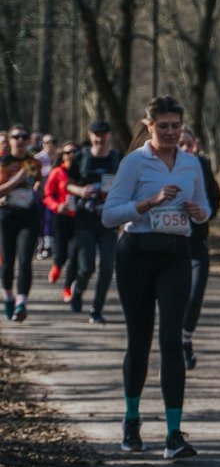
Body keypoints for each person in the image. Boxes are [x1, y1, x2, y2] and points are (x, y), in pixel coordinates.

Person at [102, 95, 210, 458]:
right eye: (162, 126)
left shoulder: (191, 163)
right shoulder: (135, 162)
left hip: (176, 254)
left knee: (172, 342)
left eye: (175, 126)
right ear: (149, 126)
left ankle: (174, 433)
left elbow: (205, 208)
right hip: (136, 254)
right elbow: (110, 215)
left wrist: (198, 212)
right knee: (140, 340)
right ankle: (131, 420)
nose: (169, 132)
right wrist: (149, 202)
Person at [67, 120, 122, 324]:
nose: (100, 138)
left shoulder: (117, 158)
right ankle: (78, 288)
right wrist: (81, 191)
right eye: (96, 134)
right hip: (85, 220)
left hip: (109, 221)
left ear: (109, 136)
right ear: (90, 136)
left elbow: (128, 185)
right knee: (87, 266)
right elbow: (68, 185)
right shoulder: (80, 157)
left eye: (104, 134)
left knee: (107, 267)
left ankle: (96, 309)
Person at [178, 127, 220, 370]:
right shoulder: (165, 167)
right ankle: (173, 344)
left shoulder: (202, 166)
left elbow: (215, 199)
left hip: (196, 245)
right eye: (180, 144)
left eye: (189, 144)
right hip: (170, 247)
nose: (185, 149)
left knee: (194, 297)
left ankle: (185, 338)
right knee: (174, 300)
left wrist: (204, 212)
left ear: (195, 144)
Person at [0, 126, 43, 321]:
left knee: (25, 259)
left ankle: (21, 303)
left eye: (24, 137)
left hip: (28, 215)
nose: (21, 140)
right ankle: (8, 296)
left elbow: (35, 184)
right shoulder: (3, 162)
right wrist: (17, 180)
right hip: (7, 215)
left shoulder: (32, 161)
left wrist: (36, 189)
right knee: (8, 260)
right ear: (9, 140)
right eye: (16, 136)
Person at [42, 141, 80, 297]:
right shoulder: (57, 172)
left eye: (74, 152)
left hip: (79, 218)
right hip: (62, 216)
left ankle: (68, 287)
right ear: (62, 155)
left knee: (75, 255)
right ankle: (57, 264)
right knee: (62, 253)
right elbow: (46, 195)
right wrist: (57, 206)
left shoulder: (82, 172)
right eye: (67, 152)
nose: (71, 155)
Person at [35, 134, 58, 259]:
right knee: (41, 218)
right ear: (42, 144)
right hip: (40, 191)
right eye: (47, 142)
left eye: (53, 142)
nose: (50, 145)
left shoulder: (59, 158)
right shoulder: (37, 158)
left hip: (54, 193)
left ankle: (49, 245)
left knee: (50, 218)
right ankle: (41, 243)